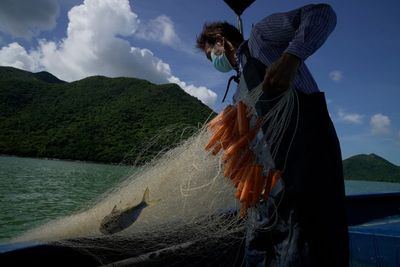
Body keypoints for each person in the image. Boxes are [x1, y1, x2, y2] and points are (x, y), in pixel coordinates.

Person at [196, 3, 349, 267]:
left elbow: (322, 14)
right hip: (266, 196)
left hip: (305, 174)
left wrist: (292, 57)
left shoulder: (261, 39)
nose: (215, 63)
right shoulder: (238, 90)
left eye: (212, 56)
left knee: (308, 250)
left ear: (220, 41)